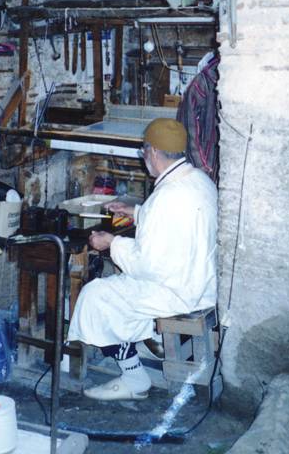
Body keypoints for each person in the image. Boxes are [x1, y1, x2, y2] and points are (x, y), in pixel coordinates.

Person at [68, 117, 218, 401]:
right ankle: (148, 341)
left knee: (95, 295)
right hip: (201, 280)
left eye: (144, 150)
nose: (143, 156)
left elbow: (146, 266)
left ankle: (134, 378)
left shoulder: (166, 197)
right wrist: (137, 213)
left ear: (154, 152)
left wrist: (111, 243)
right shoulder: (199, 180)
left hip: (178, 291)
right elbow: (175, 223)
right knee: (118, 287)